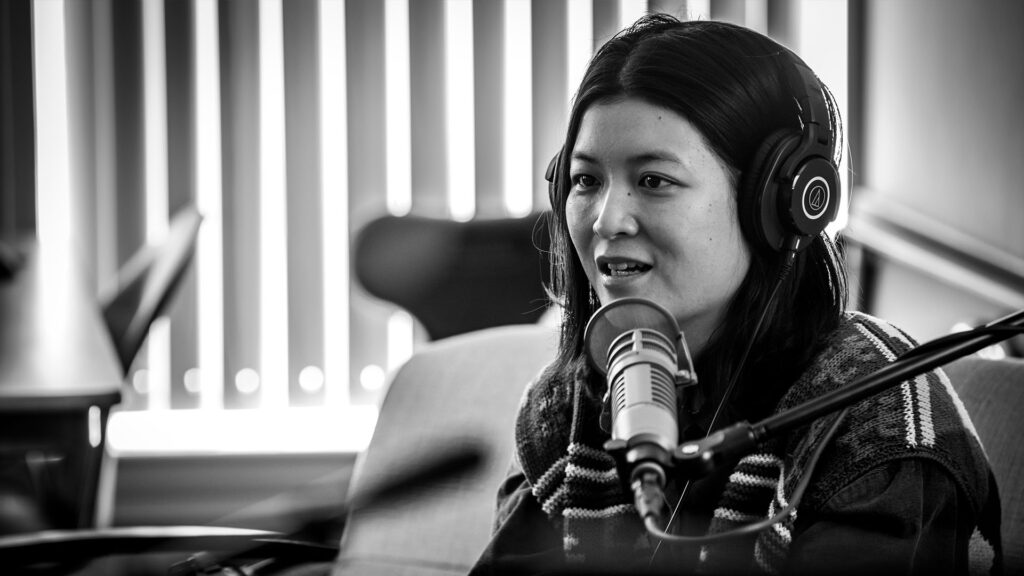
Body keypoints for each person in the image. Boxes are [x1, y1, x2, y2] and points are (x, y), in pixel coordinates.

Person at [469, 14, 1002, 576]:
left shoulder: (880, 419)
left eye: (654, 180)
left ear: (775, 206)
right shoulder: (565, 408)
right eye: (585, 180)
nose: (607, 219)